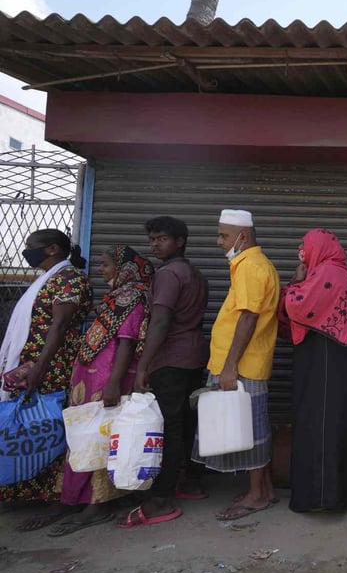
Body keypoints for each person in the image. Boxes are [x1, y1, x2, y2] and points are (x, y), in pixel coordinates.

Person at [187, 209, 280, 522]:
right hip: (241, 363)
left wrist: (230, 367)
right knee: (252, 427)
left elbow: (248, 316)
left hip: (243, 366)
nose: (218, 241)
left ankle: (256, 496)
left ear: (243, 235)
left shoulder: (251, 266)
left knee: (251, 430)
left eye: (223, 235)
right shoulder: (246, 265)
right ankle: (264, 490)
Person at [52, 245, 152, 535]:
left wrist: (112, 384)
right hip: (91, 379)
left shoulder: (132, 297)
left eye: (106, 264)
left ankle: (97, 502)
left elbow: (126, 342)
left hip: (108, 379)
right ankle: (73, 497)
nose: (100, 269)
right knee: (84, 437)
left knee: (101, 438)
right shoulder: (116, 296)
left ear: (124, 268)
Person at [0, 230, 91, 531]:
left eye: (31, 247)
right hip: (34, 367)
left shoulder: (69, 279)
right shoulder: (47, 280)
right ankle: (27, 487)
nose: (27, 252)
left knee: (50, 426)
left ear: (52, 249)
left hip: (53, 368)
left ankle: (57, 497)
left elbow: (60, 324)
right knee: (30, 426)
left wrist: (39, 368)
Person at [279, 229, 347, 512]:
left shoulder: (330, 273)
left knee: (323, 424)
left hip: (329, 359)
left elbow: (297, 306)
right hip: (326, 359)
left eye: (304, 247)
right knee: (322, 422)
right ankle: (332, 493)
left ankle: (323, 498)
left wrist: (296, 282)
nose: (301, 253)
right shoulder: (329, 273)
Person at [131, 217, 210, 526]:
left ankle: (162, 498)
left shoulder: (167, 275)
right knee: (187, 423)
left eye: (161, 239)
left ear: (180, 242)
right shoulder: (194, 273)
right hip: (193, 355)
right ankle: (190, 481)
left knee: (170, 428)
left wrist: (143, 365)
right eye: (152, 239)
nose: (154, 244)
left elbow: (160, 322)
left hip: (171, 359)